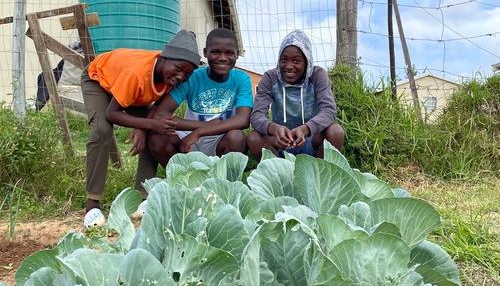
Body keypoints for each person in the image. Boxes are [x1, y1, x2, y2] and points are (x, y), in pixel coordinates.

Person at [81, 29, 201, 228]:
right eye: (179, 68)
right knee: (102, 130)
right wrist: (149, 124)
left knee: (156, 130)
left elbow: (157, 114)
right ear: (163, 58)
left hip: (131, 92)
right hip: (100, 80)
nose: (181, 77)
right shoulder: (137, 73)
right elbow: (112, 113)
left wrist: (145, 127)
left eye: (187, 74)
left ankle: (141, 197)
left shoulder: (170, 77)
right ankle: (92, 205)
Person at [147, 27, 253, 179]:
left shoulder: (241, 79)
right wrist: (198, 128)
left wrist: (200, 132)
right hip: (188, 139)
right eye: (216, 52)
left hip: (219, 139)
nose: (223, 58)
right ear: (205, 53)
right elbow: (161, 115)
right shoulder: (191, 77)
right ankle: (183, 181)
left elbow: (243, 119)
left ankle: (225, 183)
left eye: (229, 52)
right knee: (157, 137)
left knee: (237, 137)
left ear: (237, 54)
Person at [247, 29, 344, 162]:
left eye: (297, 61)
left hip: (310, 139)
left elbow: (329, 111)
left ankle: (320, 175)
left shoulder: (317, 76)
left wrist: (305, 129)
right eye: (284, 60)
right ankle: (280, 176)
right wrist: (275, 129)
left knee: (335, 132)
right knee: (254, 138)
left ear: (307, 62)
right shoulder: (270, 77)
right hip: (281, 141)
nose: (289, 66)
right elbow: (257, 115)